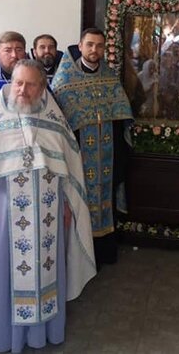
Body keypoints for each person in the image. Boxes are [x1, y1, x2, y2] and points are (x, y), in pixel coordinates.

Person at [0, 59, 96, 352]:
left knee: (47, 268)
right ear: (10, 84)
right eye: (18, 83)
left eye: (31, 84)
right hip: (5, 213)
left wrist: (68, 204)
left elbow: (70, 168)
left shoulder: (55, 124)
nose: (23, 90)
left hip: (49, 214)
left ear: (43, 88)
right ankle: (7, 335)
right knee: (6, 270)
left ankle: (44, 332)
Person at [50, 28, 133, 266]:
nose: (94, 50)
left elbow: (120, 111)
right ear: (80, 45)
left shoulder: (108, 75)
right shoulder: (65, 79)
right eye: (90, 45)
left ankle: (104, 252)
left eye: (99, 46)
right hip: (78, 151)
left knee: (106, 194)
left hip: (107, 150)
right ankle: (78, 255)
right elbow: (59, 118)